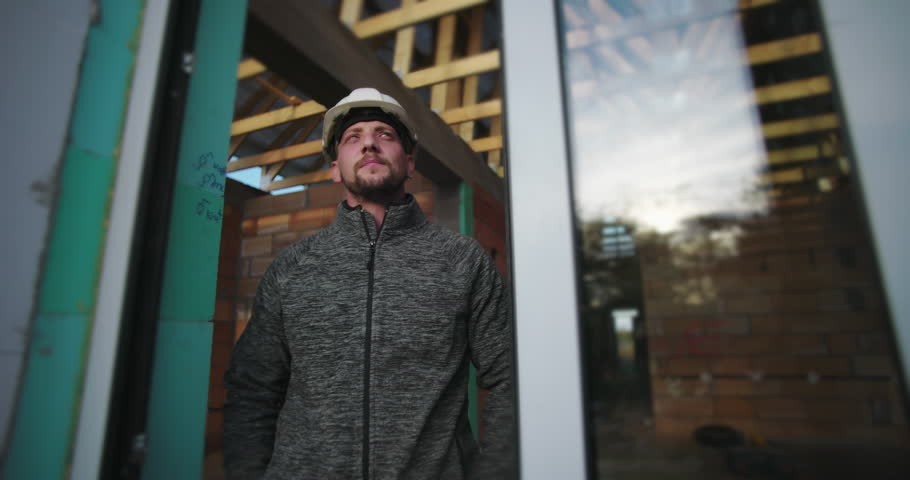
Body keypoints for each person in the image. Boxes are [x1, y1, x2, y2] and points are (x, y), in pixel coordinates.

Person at [223, 88, 514, 479]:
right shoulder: (292, 267)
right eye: (353, 137)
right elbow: (252, 390)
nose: (370, 144)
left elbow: (510, 378)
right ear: (334, 167)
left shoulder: (463, 260)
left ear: (410, 164)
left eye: (385, 134)